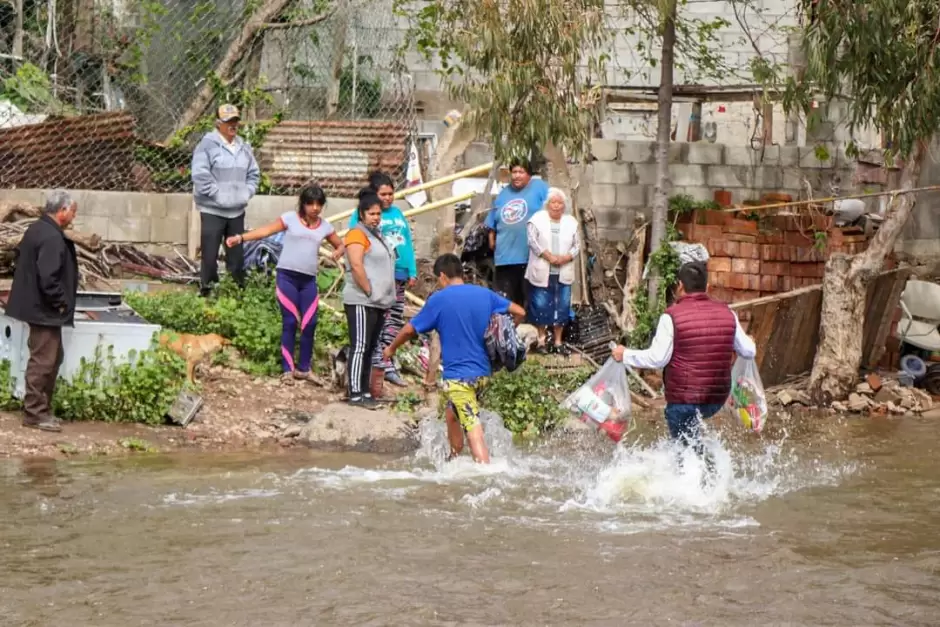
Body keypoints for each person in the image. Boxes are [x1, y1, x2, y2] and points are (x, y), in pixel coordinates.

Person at [383, 254, 525, 464]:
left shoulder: (439, 300)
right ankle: (454, 461)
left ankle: (487, 472)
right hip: (483, 374)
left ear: (442, 276)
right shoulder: (484, 294)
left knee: (472, 428)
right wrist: (503, 335)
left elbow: (409, 330)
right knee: (452, 414)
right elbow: (519, 312)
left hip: (460, 378)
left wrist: (390, 349)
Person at [611, 261, 757, 449]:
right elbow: (749, 351)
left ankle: (694, 471)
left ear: (680, 286)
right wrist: (751, 341)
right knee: (693, 442)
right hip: (715, 399)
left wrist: (625, 354)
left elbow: (658, 358)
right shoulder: (728, 313)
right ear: (707, 287)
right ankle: (709, 469)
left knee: (683, 452)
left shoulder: (670, 316)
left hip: (684, 400)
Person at [225, 185, 344, 383]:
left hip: (308, 281)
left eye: (319, 204)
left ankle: (304, 368)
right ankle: (287, 369)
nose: (315, 208)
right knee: (290, 321)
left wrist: (339, 251)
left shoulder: (325, 227)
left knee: (310, 323)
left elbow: (340, 244)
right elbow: (265, 231)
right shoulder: (290, 219)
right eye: (310, 203)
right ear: (303, 204)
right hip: (287, 277)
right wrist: (240, 238)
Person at [6, 190, 79, 432]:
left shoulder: (38, 229)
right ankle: (34, 413)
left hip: (38, 305)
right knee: (43, 360)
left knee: (52, 357)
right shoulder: (50, 236)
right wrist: (60, 302)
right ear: (63, 211)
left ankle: (42, 409)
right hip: (44, 308)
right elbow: (48, 277)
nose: (74, 216)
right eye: (73, 211)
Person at [349, 171, 417, 387]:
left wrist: (412, 270)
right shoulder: (367, 214)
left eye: (391, 193)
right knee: (381, 318)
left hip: (400, 273)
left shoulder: (398, 212)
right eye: (383, 194)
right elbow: (354, 239)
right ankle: (379, 363)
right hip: (381, 274)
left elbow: (407, 240)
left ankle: (386, 359)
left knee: (394, 318)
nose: (388, 198)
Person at [191, 103, 261, 296]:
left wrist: (246, 192)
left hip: (237, 211)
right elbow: (199, 174)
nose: (233, 125)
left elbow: (254, 174)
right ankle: (208, 293)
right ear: (218, 123)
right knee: (210, 255)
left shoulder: (244, 147)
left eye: (235, 121)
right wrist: (217, 195)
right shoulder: (206, 145)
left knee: (236, 258)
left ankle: (236, 294)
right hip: (213, 211)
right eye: (228, 121)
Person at [343, 189, 396, 409]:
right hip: (362, 300)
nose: (375, 217)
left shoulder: (377, 235)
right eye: (371, 213)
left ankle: (365, 390)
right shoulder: (357, 234)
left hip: (378, 302)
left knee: (370, 346)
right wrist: (369, 291)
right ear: (361, 214)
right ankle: (355, 393)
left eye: (378, 214)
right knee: (359, 346)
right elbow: (356, 265)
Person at [485, 158, 549, 307]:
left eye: (521, 172)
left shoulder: (539, 187)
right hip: (505, 257)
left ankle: (533, 329)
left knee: (532, 300)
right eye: (514, 172)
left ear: (529, 174)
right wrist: (491, 239)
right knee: (506, 302)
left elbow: (553, 209)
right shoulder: (504, 193)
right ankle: (509, 329)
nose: (517, 175)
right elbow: (492, 220)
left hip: (531, 256)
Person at [525, 187, 580, 355]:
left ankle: (558, 341)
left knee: (561, 306)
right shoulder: (537, 219)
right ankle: (541, 341)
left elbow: (577, 245)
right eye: (553, 202)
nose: (556, 206)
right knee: (541, 305)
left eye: (560, 203)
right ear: (547, 204)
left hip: (563, 271)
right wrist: (548, 255)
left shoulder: (571, 222)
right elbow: (531, 240)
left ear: (564, 206)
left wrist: (566, 257)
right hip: (542, 271)